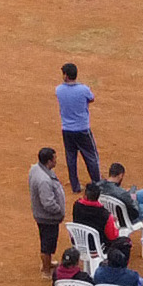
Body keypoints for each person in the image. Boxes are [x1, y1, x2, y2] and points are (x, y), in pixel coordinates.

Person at [55, 64, 99, 193]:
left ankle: (75, 186)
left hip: (67, 129)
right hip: (82, 128)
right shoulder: (83, 89)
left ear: (66, 76)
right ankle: (97, 183)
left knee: (71, 157)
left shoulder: (59, 90)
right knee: (91, 156)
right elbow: (91, 99)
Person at [30, 146, 66, 274]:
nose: (56, 160)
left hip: (42, 215)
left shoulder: (36, 169)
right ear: (49, 161)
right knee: (47, 244)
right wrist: (59, 210)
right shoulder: (44, 180)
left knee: (48, 241)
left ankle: (48, 262)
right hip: (47, 217)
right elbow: (48, 203)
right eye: (54, 158)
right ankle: (46, 270)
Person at [71, 182, 120, 250]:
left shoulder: (76, 206)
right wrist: (115, 226)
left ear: (85, 195)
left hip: (79, 244)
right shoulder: (105, 214)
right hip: (97, 248)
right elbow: (112, 237)